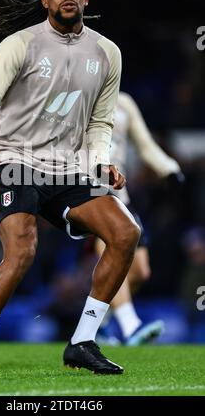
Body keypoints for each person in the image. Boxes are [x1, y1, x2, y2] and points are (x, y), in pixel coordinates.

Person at [0, 0, 141, 378]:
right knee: (22, 251)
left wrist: (100, 163)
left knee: (126, 232)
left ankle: (83, 342)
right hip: (14, 160)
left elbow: (100, 122)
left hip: (68, 167)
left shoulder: (107, 53)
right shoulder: (20, 44)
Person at [94, 91, 184, 345]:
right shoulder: (80, 95)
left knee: (140, 271)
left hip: (121, 194)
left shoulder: (124, 102)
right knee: (112, 254)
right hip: (91, 188)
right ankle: (130, 325)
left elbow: (144, 143)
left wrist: (168, 168)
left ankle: (97, 326)